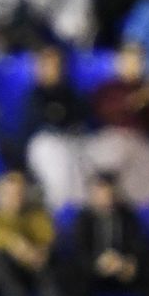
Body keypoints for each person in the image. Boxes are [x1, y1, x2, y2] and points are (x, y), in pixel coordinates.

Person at [59, 173, 149, 296]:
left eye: (110, 192)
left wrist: (126, 263)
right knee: (75, 276)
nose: (107, 197)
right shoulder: (84, 219)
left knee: (148, 272)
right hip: (94, 272)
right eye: (102, 193)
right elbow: (81, 251)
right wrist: (99, 263)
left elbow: (137, 245)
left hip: (123, 271)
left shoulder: (127, 216)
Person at [88, 43, 149, 204]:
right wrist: (137, 100)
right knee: (117, 153)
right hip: (112, 138)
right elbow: (107, 113)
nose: (134, 65)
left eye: (138, 61)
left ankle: (143, 211)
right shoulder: (108, 88)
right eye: (130, 60)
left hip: (143, 141)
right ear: (120, 62)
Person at [22, 45, 91, 208]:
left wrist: (62, 116)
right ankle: (58, 214)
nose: (53, 69)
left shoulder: (70, 92)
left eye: (56, 65)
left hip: (72, 141)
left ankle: (77, 217)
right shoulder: (35, 95)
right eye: (48, 65)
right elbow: (39, 122)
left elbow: (78, 116)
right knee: (59, 173)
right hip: (44, 143)